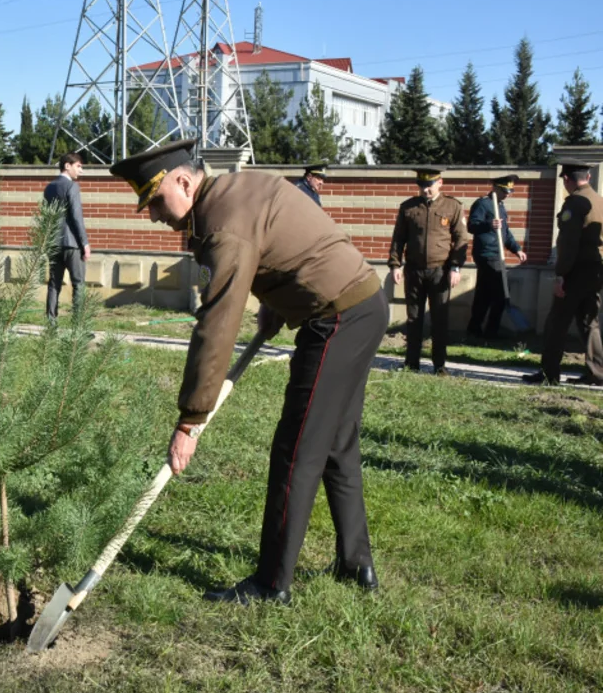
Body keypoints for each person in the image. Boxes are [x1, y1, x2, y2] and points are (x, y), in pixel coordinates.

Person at [110, 139, 386, 605]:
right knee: (337, 442)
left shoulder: (222, 226)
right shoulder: (236, 189)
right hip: (363, 304)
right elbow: (289, 243)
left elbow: (217, 324)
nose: (153, 215)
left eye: (156, 201)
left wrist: (191, 419)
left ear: (183, 180)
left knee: (296, 450)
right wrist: (279, 301)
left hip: (337, 318)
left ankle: (271, 584)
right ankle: (356, 564)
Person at [524, 162, 603, 386]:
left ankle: (550, 373)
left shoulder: (575, 203)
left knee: (556, 322)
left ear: (566, 179)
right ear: (588, 176)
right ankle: (597, 373)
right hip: (596, 270)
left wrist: (561, 275)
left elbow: (568, 244)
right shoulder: (600, 201)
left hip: (575, 270)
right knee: (590, 323)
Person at [387, 167, 469, 376]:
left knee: (440, 319)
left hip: (440, 271)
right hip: (414, 271)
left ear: (440, 183)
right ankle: (411, 363)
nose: (425, 190)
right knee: (413, 319)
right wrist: (395, 265)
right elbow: (398, 238)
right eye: (421, 186)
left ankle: (439, 365)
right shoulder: (408, 207)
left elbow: (461, 239)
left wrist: (456, 267)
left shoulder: (452, 206)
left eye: (429, 185)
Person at [466, 175, 528, 340]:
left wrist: (517, 249)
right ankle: (490, 332)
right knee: (500, 296)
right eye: (504, 191)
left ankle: (474, 330)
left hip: (497, 253)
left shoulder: (500, 207)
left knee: (484, 295)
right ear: (495, 188)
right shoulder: (483, 204)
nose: (507, 194)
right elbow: (471, 226)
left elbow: (505, 233)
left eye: (510, 191)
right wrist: (489, 225)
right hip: (487, 254)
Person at [45, 151, 91, 320]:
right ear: (67, 166)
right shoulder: (72, 186)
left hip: (53, 243)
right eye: (78, 166)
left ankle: (51, 323)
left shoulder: (49, 187)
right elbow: (76, 217)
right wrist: (85, 243)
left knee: (53, 284)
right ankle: (78, 326)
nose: (81, 171)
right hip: (72, 244)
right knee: (78, 284)